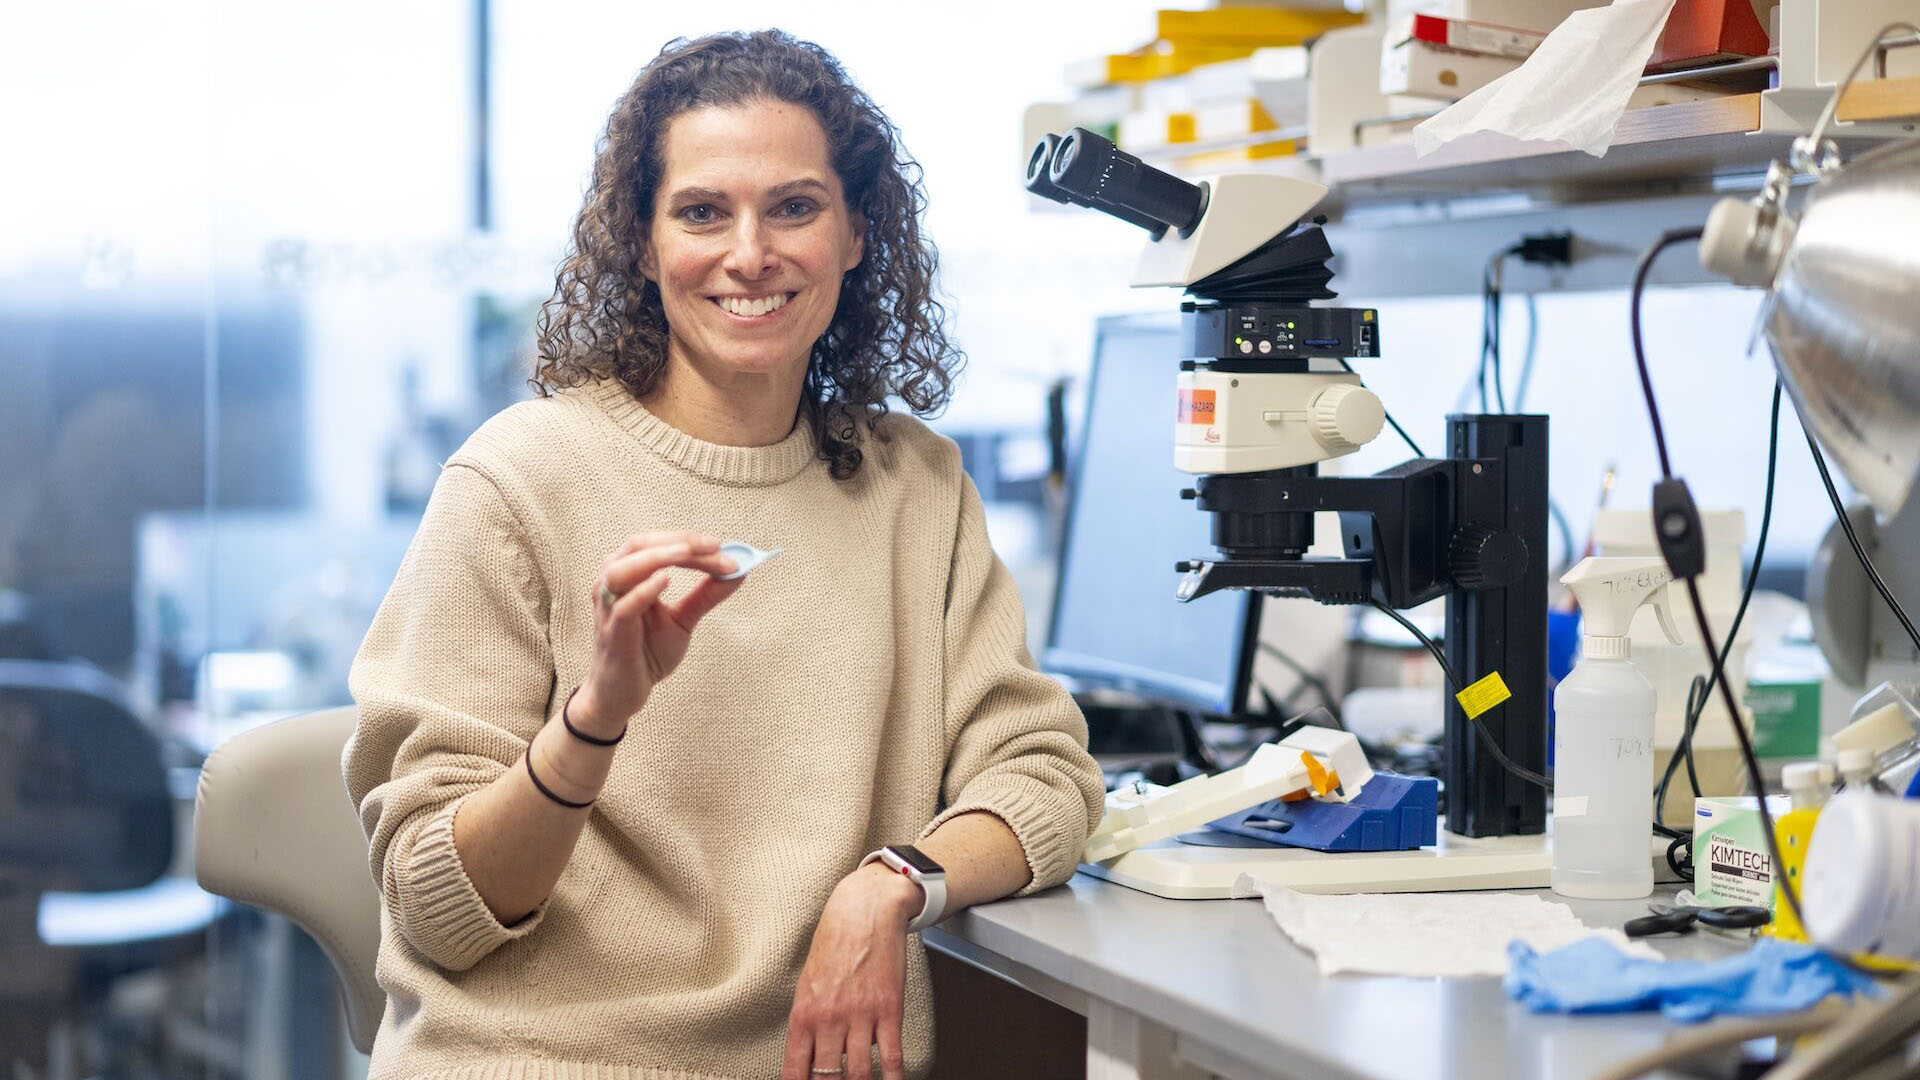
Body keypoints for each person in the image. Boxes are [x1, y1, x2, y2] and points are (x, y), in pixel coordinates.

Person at [343, 29, 1105, 1080]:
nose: (751, 254)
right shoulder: (518, 480)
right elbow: (439, 907)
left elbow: (1047, 777)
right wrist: (593, 719)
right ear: (643, 245)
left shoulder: (916, 489)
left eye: (793, 206)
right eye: (703, 212)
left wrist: (893, 879)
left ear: (855, 234)